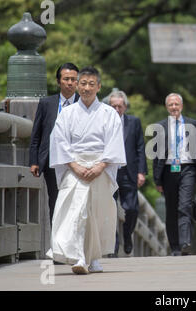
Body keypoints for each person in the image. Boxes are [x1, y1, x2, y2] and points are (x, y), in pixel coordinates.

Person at [46, 66, 126, 274]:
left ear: (99, 87)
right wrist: (74, 166)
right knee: (76, 212)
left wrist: (100, 166)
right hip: (75, 166)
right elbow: (60, 141)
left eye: (92, 84)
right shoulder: (67, 113)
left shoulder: (109, 114)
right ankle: (79, 256)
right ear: (78, 86)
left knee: (97, 213)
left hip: (100, 166)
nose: (87, 88)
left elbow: (114, 143)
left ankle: (94, 257)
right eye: (83, 83)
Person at [152, 93, 196, 256]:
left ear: (181, 106)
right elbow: (156, 155)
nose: (174, 107)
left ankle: (185, 242)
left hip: (187, 168)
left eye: (176, 104)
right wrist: (157, 179)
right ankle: (175, 246)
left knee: (185, 205)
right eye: (171, 105)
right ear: (167, 107)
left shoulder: (193, 124)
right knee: (171, 209)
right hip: (169, 170)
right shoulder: (160, 127)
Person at [29, 63, 79, 226]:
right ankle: (56, 240)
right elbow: (36, 134)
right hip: (53, 160)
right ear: (59, 82)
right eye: (66, 79)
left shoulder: (84, 104)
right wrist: (34, 161)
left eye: (73, 79)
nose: (70, 83)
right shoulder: (46, 103)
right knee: (56, 201)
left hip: (78, 161)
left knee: (76, 202)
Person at [109, 90, 147, 256]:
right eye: (113, 106)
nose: (117, 109)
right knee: (109, 210)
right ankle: (114, 244)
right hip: (109, 171)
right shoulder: (103, 122)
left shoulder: (134, 122)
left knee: (131, 209)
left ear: (125, 106)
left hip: (128, 172)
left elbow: (140, 147)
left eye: (119, 106)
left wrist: (141, 172)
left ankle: (127, 233)